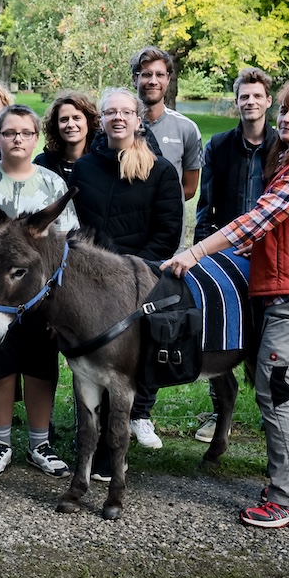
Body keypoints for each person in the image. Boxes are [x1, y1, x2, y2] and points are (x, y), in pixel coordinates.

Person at [163, 79, 289, 529]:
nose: (285, 118)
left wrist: (195, 252)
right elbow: (279, 229)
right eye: (283, 111)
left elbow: (256, 220)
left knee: (278, 386)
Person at [0, 104, 80, 479]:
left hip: (41, 299)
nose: (17, 139)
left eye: (25, 133)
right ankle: (0, 443)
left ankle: (39, 443)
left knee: (41, 368)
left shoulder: (51, 184)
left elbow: (67, 244)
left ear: (35, 138)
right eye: (9, 133)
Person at [69, 88, 183, 463]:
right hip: (91, 281)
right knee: (88, 363)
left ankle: (118, 440)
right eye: (109, 113)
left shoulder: (160, 170)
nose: (118, 118)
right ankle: (89, 439)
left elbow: (167, 234)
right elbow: (79, 228)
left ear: (138, 120)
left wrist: (125, 274)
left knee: (123, 367)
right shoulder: (84, 168)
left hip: (138, 280)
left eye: (125, 112)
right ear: (100, 121)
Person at [192, 67, 276, 443]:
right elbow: (205, 204)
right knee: (219, 325)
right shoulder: (220, 145)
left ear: (268, 101)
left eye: (257, 96)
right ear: (236, 101)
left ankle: (272, 410)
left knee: (266, 333)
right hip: (225, 251)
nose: (250, 102)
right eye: (244, 96)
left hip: (271, 253)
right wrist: (200, 252)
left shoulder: (283, 146)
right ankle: (219, 412)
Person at [131, 46, 203, 208]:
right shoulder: (119, 127)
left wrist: (158, 207)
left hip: (168, 227)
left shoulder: (187, 129)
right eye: (146, 74)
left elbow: (190, 189)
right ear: (135, 80)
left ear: (168, 79)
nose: (153, 81)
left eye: (160, 75)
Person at [36, 90, 97, 184]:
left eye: (76, 118)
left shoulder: (100, 164)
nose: (70, 124)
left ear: (88, 122)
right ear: (56, 125)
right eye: (64, 120)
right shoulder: (42, 164)